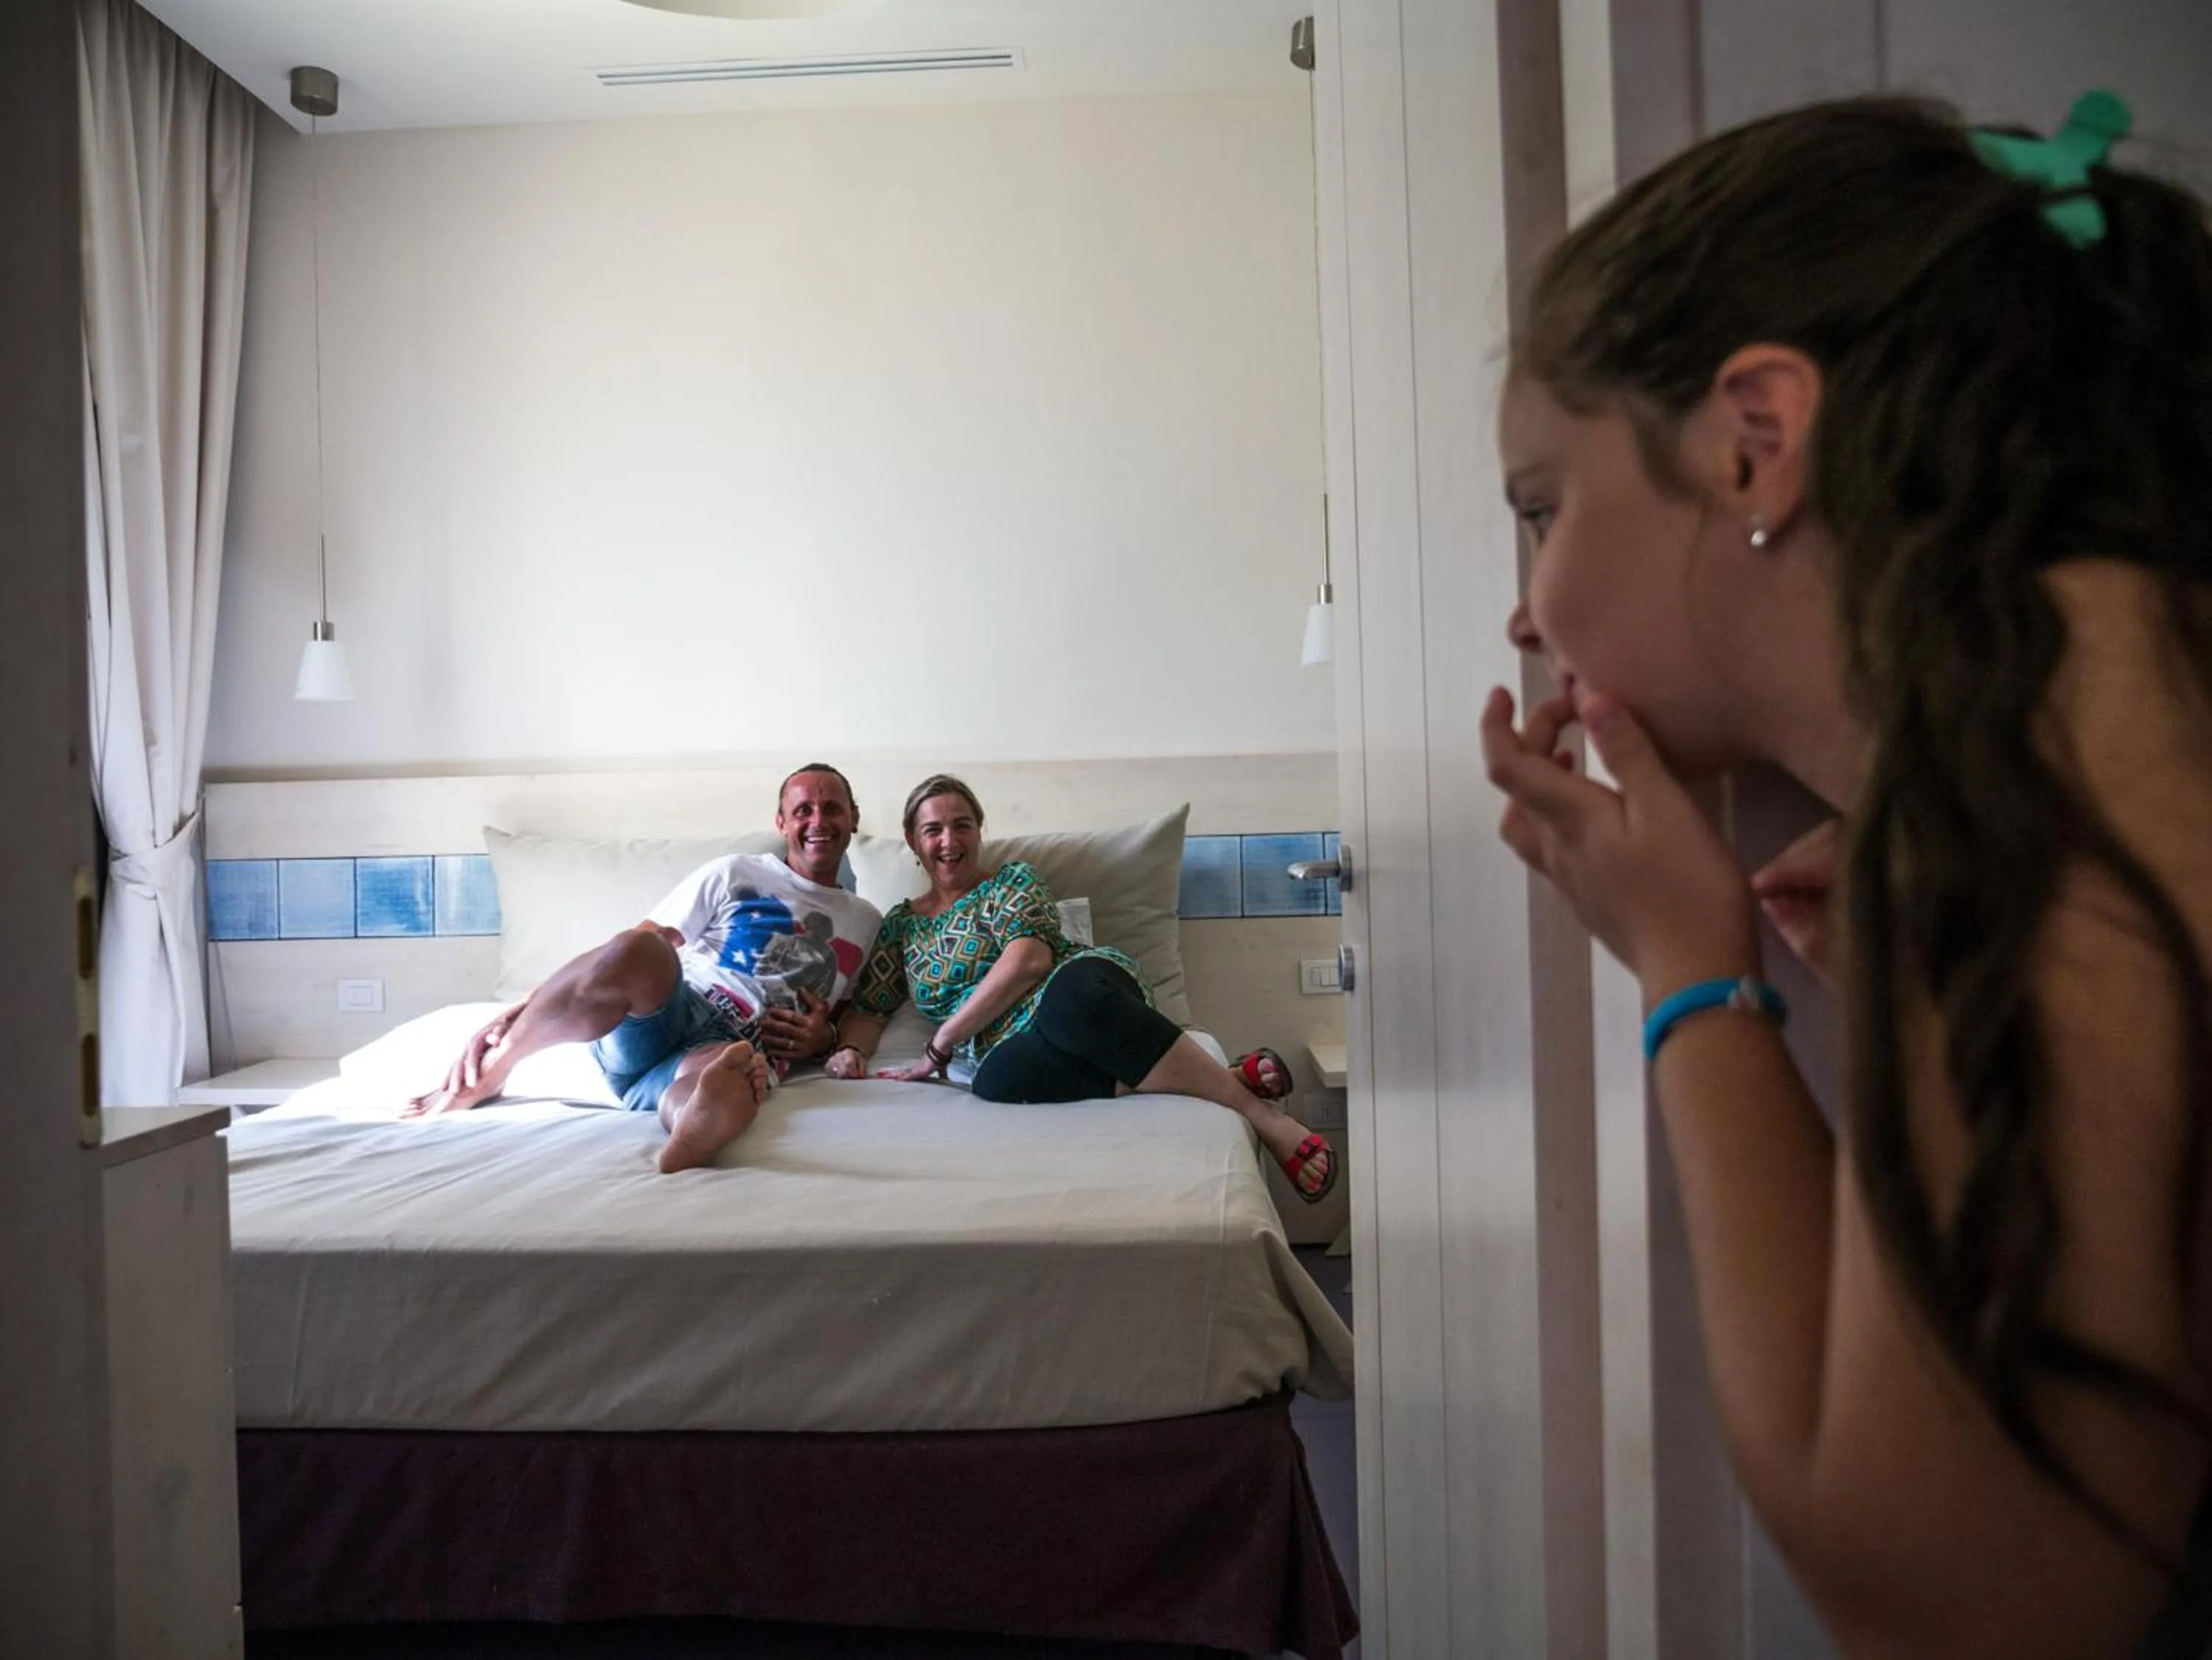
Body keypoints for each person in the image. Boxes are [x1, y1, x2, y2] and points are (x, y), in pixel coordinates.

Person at [1481, 89, 2212, 1656]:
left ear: (1756, 442)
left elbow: (1950, 1605)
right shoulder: (2113, 704)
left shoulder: (2018, 811)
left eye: (1542, 507)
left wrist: (1692, 970)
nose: (1526, 617)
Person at [827, 775, 1339, 1202]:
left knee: (1070, 1008)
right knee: (994, 1083)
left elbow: (1029, 961)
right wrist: (850, 1049)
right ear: (913, 842)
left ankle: (1261, 1116)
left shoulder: (1012, 883)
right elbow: (870, 1008)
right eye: (933, 830)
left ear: (979, 831)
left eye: (962, 825)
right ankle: (1224, 1077)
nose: (949, 841)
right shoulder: (902, 928)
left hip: (1080, 991)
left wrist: (940, 1045)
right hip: (1007, 1045)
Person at [405, 764, 882, 1173]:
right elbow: (616, 961)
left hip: (736, 1045)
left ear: (853, 816)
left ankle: (689, 1127)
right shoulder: (736, 873)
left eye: (832, 808)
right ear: (782, 821)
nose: (818, 820)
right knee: (642, 947)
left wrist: (827, 1043)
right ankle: (497, 1070)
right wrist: (511, 1016)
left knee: (732, 1075)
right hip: (668, 1010)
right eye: (803, 810)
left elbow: (859, 1013)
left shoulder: (867, 922)